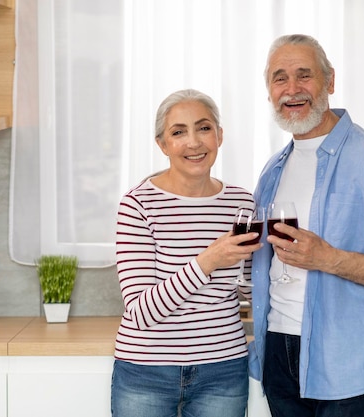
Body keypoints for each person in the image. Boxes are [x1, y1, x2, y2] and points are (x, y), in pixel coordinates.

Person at [248, 34, 364, 417]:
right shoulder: (272, 171)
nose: (292, 89)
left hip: (348, 361)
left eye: (304, 75)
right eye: (280, 78)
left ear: (330, 82)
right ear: (268, 92)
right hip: (279, 352)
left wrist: (328, 258)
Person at [111, 89, 260, 417]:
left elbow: (247, 290)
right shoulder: (138, 205)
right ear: (162, 144)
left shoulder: (242, 203)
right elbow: (141, 312)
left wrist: (276, 260)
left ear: (219, 136)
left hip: (223, 367)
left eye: (204, 128)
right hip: (146, 369)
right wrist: (209, 260)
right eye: (178, 132)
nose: (194, 142)